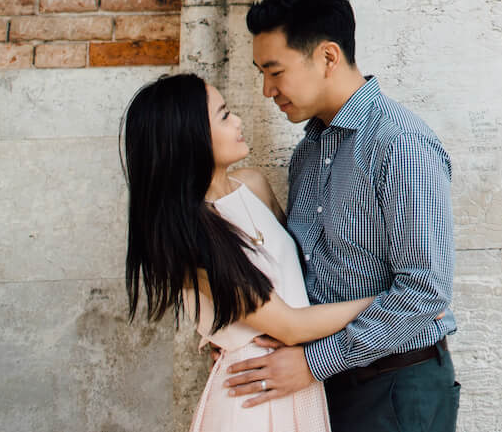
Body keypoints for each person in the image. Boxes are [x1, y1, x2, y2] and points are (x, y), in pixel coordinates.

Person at [222, 0, 459, 432]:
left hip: (395, 388)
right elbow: (304, 276)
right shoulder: (308, 152)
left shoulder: (399, 144)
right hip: (327, 386)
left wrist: (313, 362)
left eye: (276, 71)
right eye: (262, 75)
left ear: (328, 56)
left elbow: (426, 292)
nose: (267, 91)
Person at [121, 72, 371, 432]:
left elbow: (300, 278)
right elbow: (289, 324)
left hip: (297, 380)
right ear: (189, 138)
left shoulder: (254, 185)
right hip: (252, 396)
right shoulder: (192, 238)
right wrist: (392, 303)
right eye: (223, 115)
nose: (237, 120)